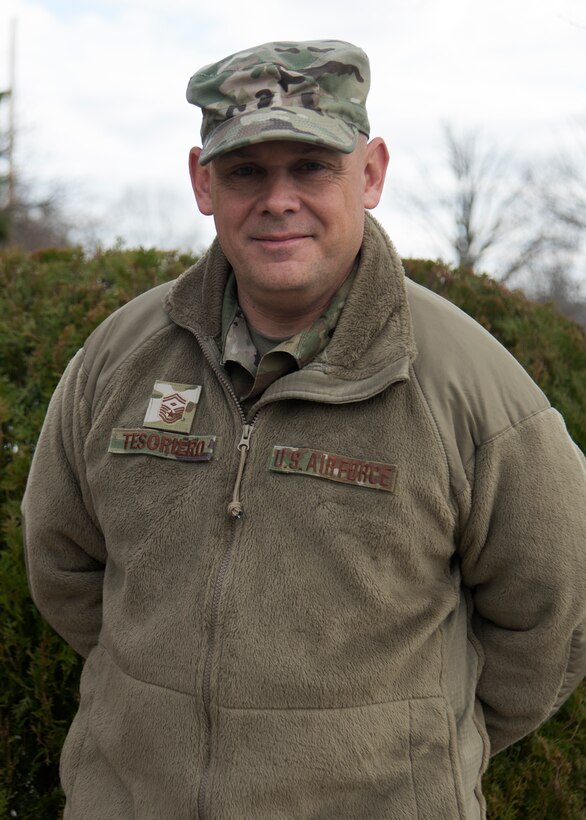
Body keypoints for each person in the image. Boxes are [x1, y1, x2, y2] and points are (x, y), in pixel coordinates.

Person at [23, 39, 585, 820]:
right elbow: (63, 562)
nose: (278, 199)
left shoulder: (473, 390)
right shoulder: (119, 358)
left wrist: (411, 742)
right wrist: (161, 704)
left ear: (373, 172)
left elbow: (554, 618)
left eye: (312, 167)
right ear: (202, 182)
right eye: (246, 170)